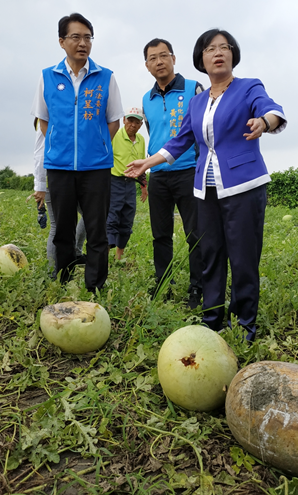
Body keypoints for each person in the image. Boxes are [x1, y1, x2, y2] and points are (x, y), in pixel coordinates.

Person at [127, 29, 287, 340]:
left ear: (232, 55)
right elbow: (180, 140)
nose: (218, 52)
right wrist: (148, 162)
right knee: (210, 252)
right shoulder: (198, 101)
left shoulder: (248, 88)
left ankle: (244, 324)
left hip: (244, 185)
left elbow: (272, 110)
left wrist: (264, 122)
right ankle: (212, 318)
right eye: (211, 48)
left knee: (243, 256)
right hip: (205, 188)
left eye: (224, 47)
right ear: (201, 58)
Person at [31, 12, 124, 292]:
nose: (83, 43)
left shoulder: (105, 77)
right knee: (63, 230)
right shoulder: (48, 77)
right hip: (58, 167)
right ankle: (62, 280)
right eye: (76, 37)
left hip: (95, 168)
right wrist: (63, 146)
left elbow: (113, 121)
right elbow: (43, 122)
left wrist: (93, 147)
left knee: (96, 230)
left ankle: (94, 286)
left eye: (88, 37)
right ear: (62, 41)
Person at [142, 38, 203, 306]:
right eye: (153, 58)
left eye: (164, 55)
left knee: (195, 233)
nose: (159, 61)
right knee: (161, 234)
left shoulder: (193, 88)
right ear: (147, 65)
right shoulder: (147, 98)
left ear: (174, 58)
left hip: (188, 171)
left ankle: (197, 288)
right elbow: (152, 134)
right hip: (159, 176)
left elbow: (204, 130)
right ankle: (163, 282)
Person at [33, 118, 87, 273]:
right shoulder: (45, 119)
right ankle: (52, 272)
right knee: (57, 225)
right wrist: (41, 185)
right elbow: (40, 151)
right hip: (53, 177)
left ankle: (75, 252)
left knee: (89, 215)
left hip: (72, 176)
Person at [107, 107, 148, 260]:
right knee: (112, 218)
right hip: (114, 182)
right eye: (130, 120)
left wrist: (143, 186)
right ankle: (104, 256)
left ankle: (119, 257)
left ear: (141, 125)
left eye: (137, 122)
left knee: (127, 220)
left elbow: (142, 164)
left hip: (131, 185)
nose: (133, 124)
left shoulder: (141, 140)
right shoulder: (115, 135)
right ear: (124, 120)